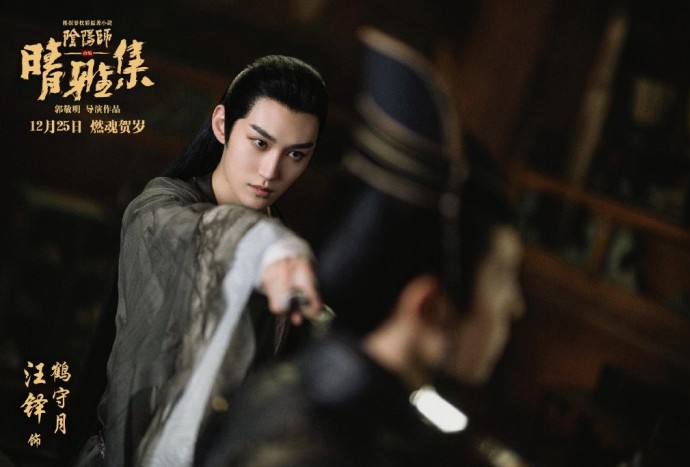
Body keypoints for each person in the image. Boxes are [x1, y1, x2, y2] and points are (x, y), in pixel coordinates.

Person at [194, 27, 526, 467]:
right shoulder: (344, 451)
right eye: (503, 277)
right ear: (428, 304)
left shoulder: (287, 386)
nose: (515, 306)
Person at [72, 55, 329, 467]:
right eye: (260, 143)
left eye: (296, 154)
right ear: (222, 125)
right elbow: (186, 233)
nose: (271, 170)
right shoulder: (160, 208)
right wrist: (265, 247)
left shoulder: (285, 255)